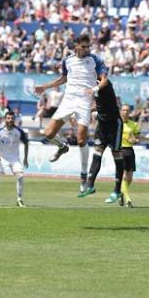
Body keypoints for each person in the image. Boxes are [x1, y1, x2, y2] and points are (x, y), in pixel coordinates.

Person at [33, 34, 108, 192]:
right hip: (68, 101)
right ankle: (62, 147)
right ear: (76, 46)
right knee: (48, 133)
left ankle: (83, 177)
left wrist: (93, 90)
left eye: (88, 46)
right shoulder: (67, 60)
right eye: (83, 46)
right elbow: (63, 79)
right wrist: (44, 87)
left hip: (84, 102)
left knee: (81, 139)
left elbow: (104, 80)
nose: (86, 49)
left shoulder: (95, 60)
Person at [78, 80, 126, 201]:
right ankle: (90, 186)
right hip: (102, 125)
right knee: (97, 152)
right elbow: (100, 105)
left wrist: (92, 90)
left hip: (114, 124)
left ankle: (117, 190)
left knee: (116, 154)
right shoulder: (92, 84)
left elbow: (103, 83)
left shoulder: (104, 83)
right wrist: (89, 109)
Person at [0, 111, 29, 207]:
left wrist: (25, 158)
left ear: (14, 119)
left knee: (20, 176)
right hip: (2, 158)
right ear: (5, 119)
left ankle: (19, 199)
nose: (10, 120)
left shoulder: (19, 131)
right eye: (8, 118)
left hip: (15, 159)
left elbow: (26, 143)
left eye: (12, 118)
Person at [119, 104, 140, 207]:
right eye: (123, 110)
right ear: (120, 111)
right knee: (124, 176)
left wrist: (134, 140)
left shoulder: (134, 124)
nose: (125, 112)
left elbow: (137, 138)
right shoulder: (117, 124)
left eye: (127, 110)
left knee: (129, 178)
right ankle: (128, 200)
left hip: (130, 151)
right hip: (120, 151)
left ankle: (122, 192)